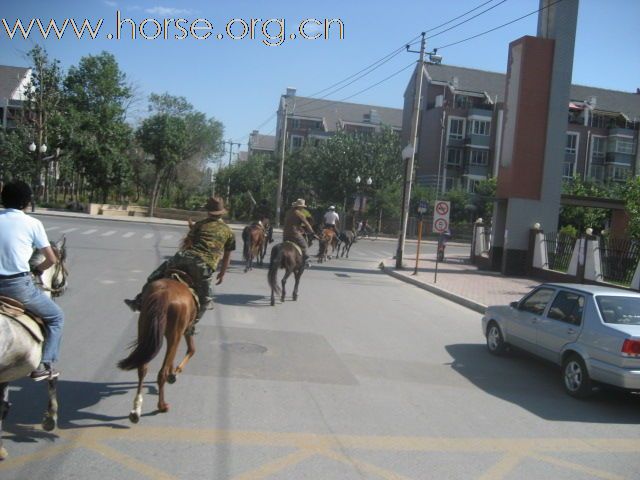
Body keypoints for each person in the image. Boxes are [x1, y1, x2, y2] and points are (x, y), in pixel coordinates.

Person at [124, 197, 235, 327]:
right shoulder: (229, 232)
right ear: (222, 212)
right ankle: (191, 324)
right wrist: (222, 273)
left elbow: (189, 243)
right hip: (203, 266)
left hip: (183, 257)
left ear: (208, 212)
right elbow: (227, 256)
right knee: (205, 298)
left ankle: (138, 301)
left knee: (154, 276)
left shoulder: (199, 224)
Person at [0, 181, 64, 381]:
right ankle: (45, 365)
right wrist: (37, 269)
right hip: (16, 286)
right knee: (56, 317)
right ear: (27, 202)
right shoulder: (32, 224)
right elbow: (52, 259)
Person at [283, 198, 315, 266]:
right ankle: (306, 259)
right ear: (300, 207)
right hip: (294, 234)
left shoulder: (288, 212)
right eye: (302, 207)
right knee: (304, 245)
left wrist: (299, 227)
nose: (303, 208)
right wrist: (312, 232)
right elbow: (307, 224)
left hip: (285, 233)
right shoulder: (300, 214)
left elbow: (290, 222)